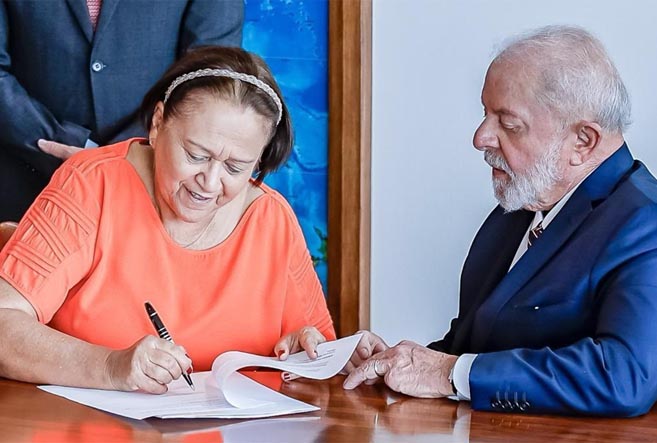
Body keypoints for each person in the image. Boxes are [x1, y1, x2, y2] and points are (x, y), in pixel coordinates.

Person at [343, 25, 657, 417]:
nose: (480, 137)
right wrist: (396, 363)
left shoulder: (646, 222)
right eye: (485, 114)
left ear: (583, 141)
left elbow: (624, 378)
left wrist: (447, 372)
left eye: (508, 124)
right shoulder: (514, 212)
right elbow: (470, 351)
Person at [0, 45, 335, 393]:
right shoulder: (91, 183)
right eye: (196, 155)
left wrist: (309, 353)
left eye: (236, 167)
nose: (210, 182)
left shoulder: (272, 220)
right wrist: (110, 366)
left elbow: (322, 355)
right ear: (158, 124)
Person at [0, 0, 244, 221]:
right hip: (27, 176)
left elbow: (210, 73)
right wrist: (64, 143)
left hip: (152, 182)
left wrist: (127, 151)